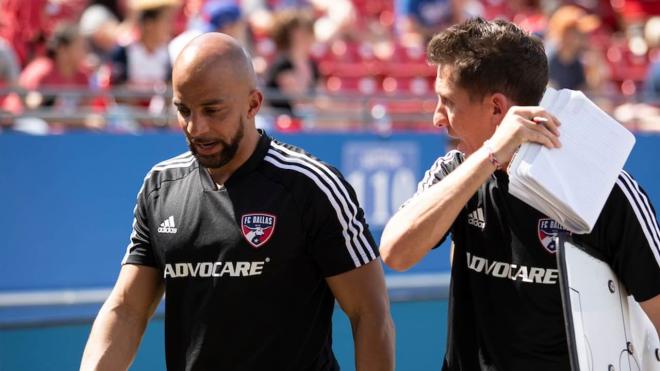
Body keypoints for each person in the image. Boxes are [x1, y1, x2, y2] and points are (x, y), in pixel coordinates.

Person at [80, 33, 394, 370]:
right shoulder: (161, 186)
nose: (196, 127)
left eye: (213, 111)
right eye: (184, 110)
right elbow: (127, 309)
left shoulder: (311, 186)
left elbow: (370, 315)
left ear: (253, 104)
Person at [380, 18, 660, 370]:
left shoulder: (606, 189)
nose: (438, 118)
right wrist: (489, 155)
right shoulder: (457, 171)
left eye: (447, 101)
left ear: (497, 108)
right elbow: (395, 253)